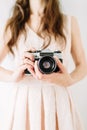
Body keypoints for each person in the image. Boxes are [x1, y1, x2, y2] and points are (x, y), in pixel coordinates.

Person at [0, 0, 87, 130]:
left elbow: (82, 65)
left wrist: (69, 80)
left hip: (58, 100)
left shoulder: (69, 22)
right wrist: (14, 76)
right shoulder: (13, 24)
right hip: (25, 102)